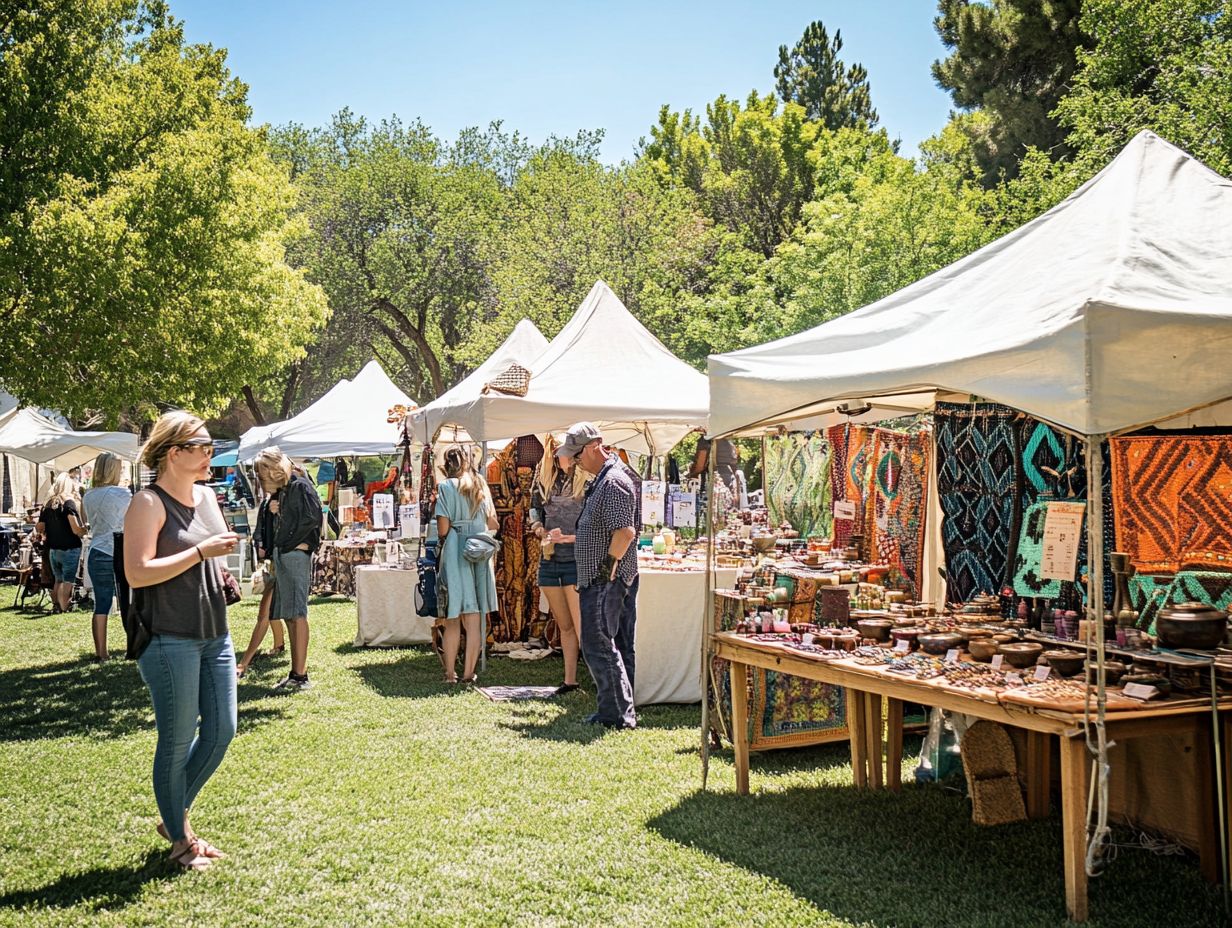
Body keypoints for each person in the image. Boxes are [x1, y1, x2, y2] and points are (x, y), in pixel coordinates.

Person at [123, 411, 239, 871]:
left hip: (215, 632)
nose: (211, 453)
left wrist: (220, 565)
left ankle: (174, 819)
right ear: (175, 453)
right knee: (176, 742)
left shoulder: (208, 495)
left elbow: (212, 549)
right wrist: (199, 554)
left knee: (222, 730)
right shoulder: (147, 503)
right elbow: (137, 572)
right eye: (204, 446)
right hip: (169, 637)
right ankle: (181, 842)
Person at [562, 422, 639, 729]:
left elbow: (625, 531)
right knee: (610, 643)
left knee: (599, 644)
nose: (575, 460)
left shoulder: (614, 481)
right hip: (605, 576)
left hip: (606, 578)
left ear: (594, 447)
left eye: (577, 454)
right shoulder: (605, 479)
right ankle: (616, 710)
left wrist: (608, 569)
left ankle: (617, 714)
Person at [254, 448, 321, 693]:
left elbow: (312, 519)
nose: (262, 482)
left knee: (296, 614)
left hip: (294, 556)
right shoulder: (289, 488)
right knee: (290, 614)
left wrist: (296, 543)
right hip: (286, 554)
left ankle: (300, 675)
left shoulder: (300, 486)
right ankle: (296, 673)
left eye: (263, 476)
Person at [529, 437, 589, 696]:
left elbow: (593, 524)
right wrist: (540, 529)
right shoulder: (544, 478)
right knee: (565, 625)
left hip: (576, 559)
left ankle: (599, 680)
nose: (556, 455)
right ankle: (570, 680)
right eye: (553, 450)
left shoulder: (586, 480)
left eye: (560, 451)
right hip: (551, 558)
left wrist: (570, 538)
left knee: (581, 625)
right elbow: (534, 511)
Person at [434, 446, 498, 684]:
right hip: (480, 549)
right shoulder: (481, 485)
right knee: (475, 619)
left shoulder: (445, 487)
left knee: (453, 617)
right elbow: (494, 523)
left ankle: (450, 674)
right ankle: (469, 673)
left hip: (455, 550)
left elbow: (442, 529)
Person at [234, 474, 285, 678]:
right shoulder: (269, 501)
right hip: (275, 561)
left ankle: (244, 662)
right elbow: (263, 530)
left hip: (281, 562)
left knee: (265, 613)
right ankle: (279, 645)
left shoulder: (281, 500)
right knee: (271, 610)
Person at [81, 452, 132, 660]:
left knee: (101, 603)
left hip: (96, 549)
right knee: (127, 602)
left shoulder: (88, 495)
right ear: (113, 470)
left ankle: (101, 653)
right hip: (119, 550)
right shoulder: (123, 494)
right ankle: (132, 646)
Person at [37, 473, 85, 613]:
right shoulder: (68, 503)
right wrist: (85, 530)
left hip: (53, 549)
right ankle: (65, 608)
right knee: (68, 581)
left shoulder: (48, 504)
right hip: (69, 547)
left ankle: (56, 606)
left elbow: (39, 527)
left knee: (58, 580)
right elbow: (75, 529)